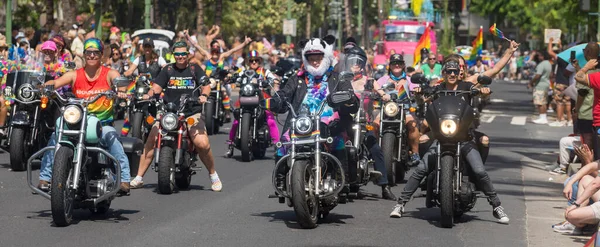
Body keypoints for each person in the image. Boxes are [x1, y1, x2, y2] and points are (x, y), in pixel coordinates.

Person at [389, 58, 510, 224]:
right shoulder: (438, 89)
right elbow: (423, 101)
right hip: (442, 137)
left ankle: (497, 207)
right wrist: (418, 94)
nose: (452, 74)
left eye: (455, 71)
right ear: (444, 74)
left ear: (459, 73)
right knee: (421, 168)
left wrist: (484, 91)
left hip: (464, 138)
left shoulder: (467, 87)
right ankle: (400, 204)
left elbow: (481, 89)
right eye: (449, 71)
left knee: (479, 170)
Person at [38, 38, 131, 194]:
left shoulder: (110, 73)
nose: (92, 56)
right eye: (89, 52)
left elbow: (121, 83)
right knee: (56, 134)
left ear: (101, 55)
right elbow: (56, 82)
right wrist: (45, 87)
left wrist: (121, 90)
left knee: (112, 139)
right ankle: (45, 177)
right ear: (84, 54)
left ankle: (124, 179)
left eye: (96, 53)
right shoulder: (75, 74)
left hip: (102, 123)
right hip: (77, 121)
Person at [129, 41, 222, 192]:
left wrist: (204, 95)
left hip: (191, 111)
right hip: (169, 112)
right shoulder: (168, 69)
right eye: (177, 54)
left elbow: (205, 85)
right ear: (173, 55)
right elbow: (156, 88)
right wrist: (148, 95)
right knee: (152, 138)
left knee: (202, 143)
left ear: (188, 54)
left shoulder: (194, 69)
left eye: (183, 54)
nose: (180, 57)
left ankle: (213, 174)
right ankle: (139, 177)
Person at [268, 36, 358, 187]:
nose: (315, 61)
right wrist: (276, 100)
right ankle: (281, 180)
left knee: (339, 142)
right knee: (283, 144)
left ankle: (342, 182)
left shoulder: (336, 78)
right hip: (301, 123)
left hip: (331, 124)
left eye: (318, 57)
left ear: (325, 57)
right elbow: (285, 94)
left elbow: (351, 98)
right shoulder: (298, 79)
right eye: (311, 58)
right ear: (306, 59)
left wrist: (348, 98)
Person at [344, 46, 396, 200]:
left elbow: (381, 91)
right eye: (352, 62)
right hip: (345, 123)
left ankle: (385, 186)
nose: (355, 65)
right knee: (336, 148)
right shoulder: (342, 80)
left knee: (376, 150)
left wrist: (384, 95)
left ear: (362, 64)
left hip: (363, 123)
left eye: (358, 62)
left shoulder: (368, 81)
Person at [225, 50, 281, 157]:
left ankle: (277, 146)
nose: (254, 62)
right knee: (236, 121)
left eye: (256, 60)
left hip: (262, 99)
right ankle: (230, 145)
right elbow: (234, 77)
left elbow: (273, 78)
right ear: (248, 62)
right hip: (245, 98)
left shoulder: (265, 71)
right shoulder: (243, 72)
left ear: (259, 61)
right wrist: (230, 78)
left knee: (270, 120)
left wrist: (272, 80)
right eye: (251, 61)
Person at [375, 54, 421, 164]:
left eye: (399, 63)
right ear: (389, 66)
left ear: (403, 65)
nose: (397, 65)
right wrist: (381, 93)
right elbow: (374, 85)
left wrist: (418, 90)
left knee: (413, 126)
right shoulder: (384, 79)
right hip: (386, 111)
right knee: (374, 126)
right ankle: (375, 152)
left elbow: (417, 88)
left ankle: (415, 153)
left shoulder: (409, 80)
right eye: (394, 63)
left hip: (404, 110)